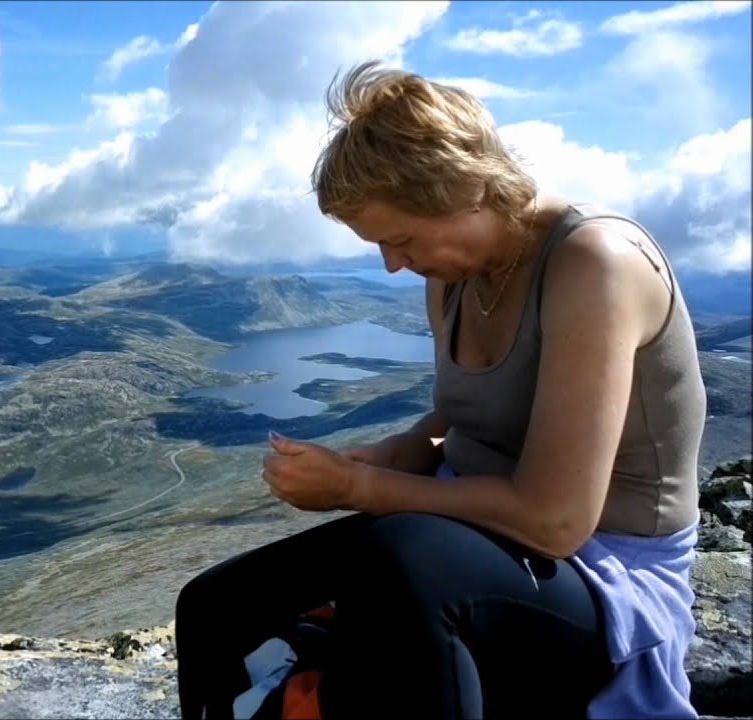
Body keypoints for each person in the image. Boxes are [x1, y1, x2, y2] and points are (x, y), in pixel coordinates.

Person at [174, 61, 705, 720]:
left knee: (403, 562)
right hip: (469, 529)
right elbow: (466, 418)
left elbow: (556, 521)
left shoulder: (596, 265)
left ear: (468, 190)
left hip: (604, 575)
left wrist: (356, 490)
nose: (393, 264)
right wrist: (403, 449)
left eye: (400, 239)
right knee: (216, 607)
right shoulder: (452, 273)